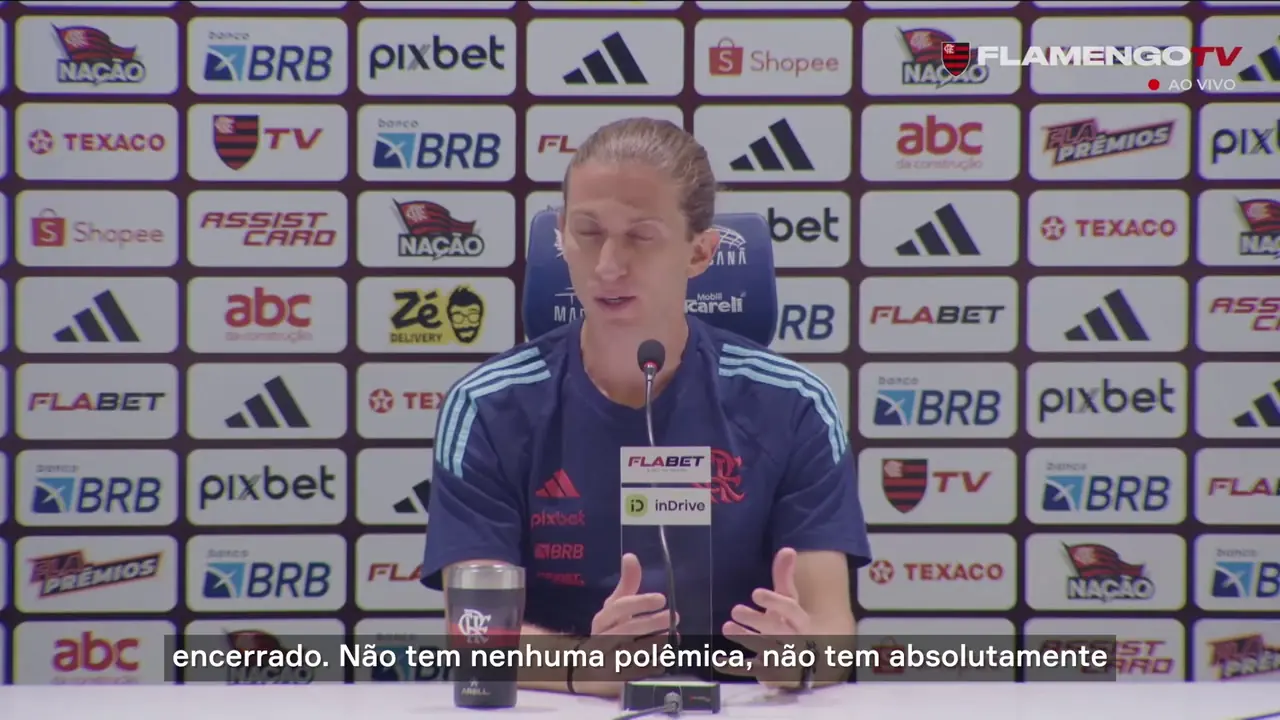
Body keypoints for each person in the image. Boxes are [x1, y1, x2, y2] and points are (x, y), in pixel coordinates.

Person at [421, 117, 871, 698]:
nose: (608, 265)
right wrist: (588, 667)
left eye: (641, 236)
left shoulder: (795, 404)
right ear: (560, 237)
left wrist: (799, 659)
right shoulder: (487, 405)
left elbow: (832, 631)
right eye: (587, 232)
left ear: (700, 252)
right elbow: (475, 637)